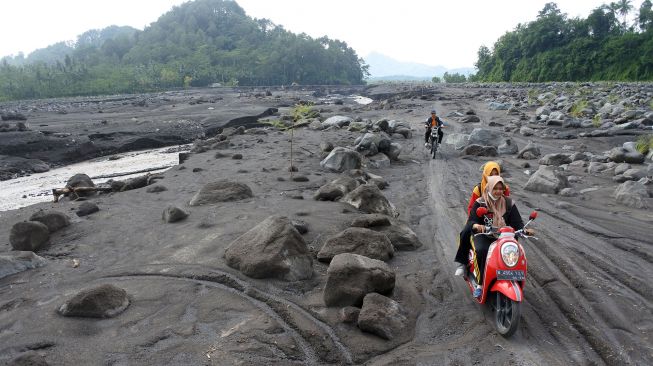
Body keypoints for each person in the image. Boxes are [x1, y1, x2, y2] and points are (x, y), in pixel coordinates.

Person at [454, 176, 534, 297]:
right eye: (495, 188)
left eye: (501, 188)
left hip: (503, 236)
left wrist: (525, 230)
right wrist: (477, 225)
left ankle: (511, 276)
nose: (498, 191)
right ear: (489, 188)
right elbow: (472, 220)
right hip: (485, 234)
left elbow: (517, 223)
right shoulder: (480, 202)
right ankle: (480, 284)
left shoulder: (508, 203)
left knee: (514, 251)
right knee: (482, 251)